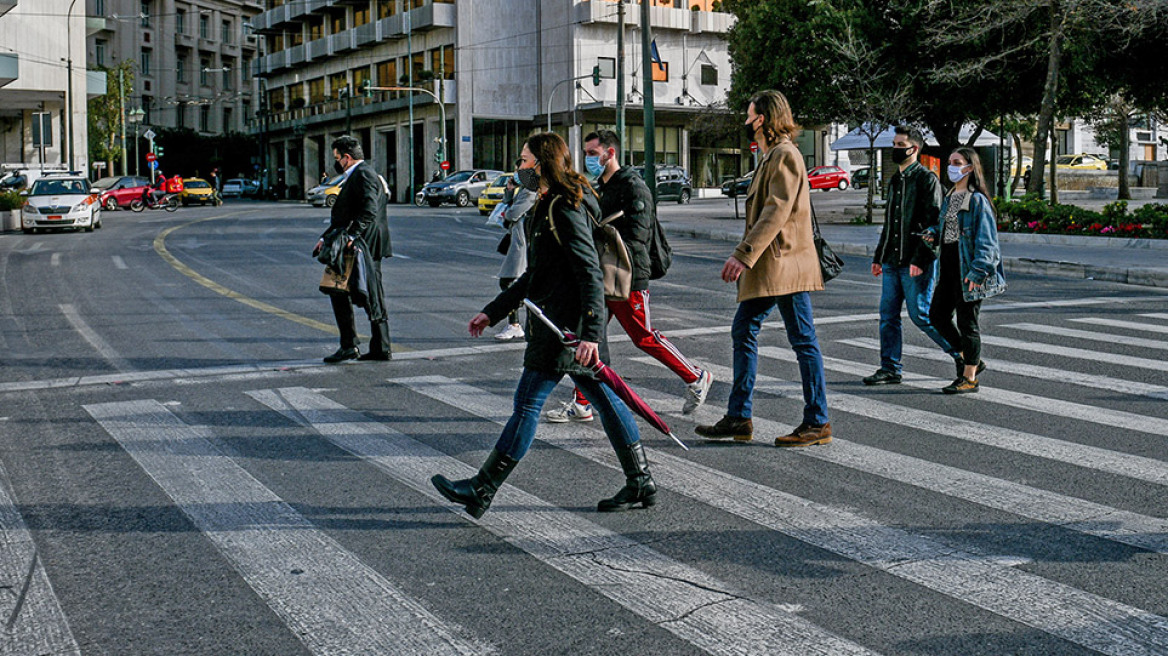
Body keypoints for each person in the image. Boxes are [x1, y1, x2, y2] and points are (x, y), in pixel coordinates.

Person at [431, 132, 656, 517]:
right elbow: (535, 274)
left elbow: (589, 272)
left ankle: (482, 489)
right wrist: (493, 312)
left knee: (527, 404)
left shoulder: (562, 207)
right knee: (603, 399)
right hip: (567, 325)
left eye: (523, 160)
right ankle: (640, 480)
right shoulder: (552, 203)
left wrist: (588, 333)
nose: (519, 167)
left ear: (541, 163)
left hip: (563, 329)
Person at [694, 90, 831, 448]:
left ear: (765, 119)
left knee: (802, 340)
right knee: (747, 330)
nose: (746, 122)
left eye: (751, 116)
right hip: (775, 266)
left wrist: (743, 255)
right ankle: (740, 417)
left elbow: (776, 210)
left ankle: (817, 421)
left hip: (785, 265)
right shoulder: (773, 154)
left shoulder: (784, 155)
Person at [546, 129, 712, 422]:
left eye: (593, 154)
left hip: (627, 274)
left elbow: (638, 238)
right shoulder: (600, 186)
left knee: (643, 336)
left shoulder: (634, 187)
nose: (588, 159)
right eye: (586, 154)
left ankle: (696, 376)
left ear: (611, 153)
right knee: (589, 333)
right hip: (603, 274)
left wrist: (609, 246)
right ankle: (582, 402)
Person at [862, 126, 961, 386]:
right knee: (888, 316)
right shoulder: (896, 179)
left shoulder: (927, 180)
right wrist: (878, 256)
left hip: (916, 262)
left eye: (899, 144)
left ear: (913, 148)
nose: (894, 148)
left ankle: (964, 355)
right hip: (892, 261)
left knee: (921, 315)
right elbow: (891, 224)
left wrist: (921, 259)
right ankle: (890, 368)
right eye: (894, 143)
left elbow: (934, 225)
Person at [923, 147, 1006, 394]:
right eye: (950, 162)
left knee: (968, 322)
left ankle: (969, 377)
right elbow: (946, 230)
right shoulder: (951, 197)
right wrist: (933, 233)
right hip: (949, 267)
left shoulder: (977, 200)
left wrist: (978, 272)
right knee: (937, 315)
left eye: (957, 162)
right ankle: (973, 359)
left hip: (969, 270)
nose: (952, 166)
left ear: (969, 168)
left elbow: (987, 242)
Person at [314, 136, 393, 363]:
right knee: (338, 291)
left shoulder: (364, 174)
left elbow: (370, 209)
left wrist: (351, 235)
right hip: (352, 244)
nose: (336, 162)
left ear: (347, 158)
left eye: (337, 158)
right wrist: (326, 237)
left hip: (362, 246)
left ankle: (378, 347)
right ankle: (351, 345)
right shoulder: (357, 175)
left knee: (371, 295)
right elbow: (347, 214)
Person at [494, 169, 535, 341]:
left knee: (509, 283)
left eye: (522, 168)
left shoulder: (531, 192)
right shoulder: (523, 190)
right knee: (516, 284)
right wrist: (509, 191)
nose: (517, 173)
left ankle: (516, 325)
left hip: (523, 243)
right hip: (518, 240)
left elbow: (512, 213)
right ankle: (518, 324)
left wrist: (508, 212)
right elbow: (507, 205)